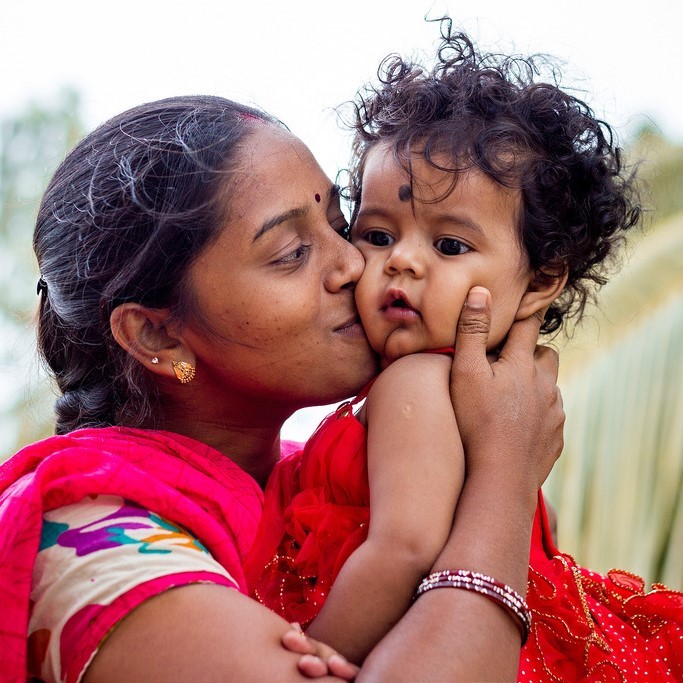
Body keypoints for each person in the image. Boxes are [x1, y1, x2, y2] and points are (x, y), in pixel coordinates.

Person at [0, 93, 565, 682]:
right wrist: (504, 477)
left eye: (344, 227)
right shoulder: (91, 545)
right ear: (156, 335)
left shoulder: (328, 483)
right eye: (293, 253)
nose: (353, 263)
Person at [245, 24, 683, 681]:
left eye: (449, 245)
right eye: (375, 233)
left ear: (539, 279)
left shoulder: (417, 383)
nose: (403, 262)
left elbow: (406, 546)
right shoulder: (494, 405)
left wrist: (309, 650)